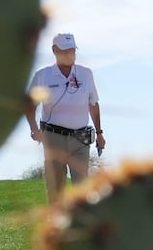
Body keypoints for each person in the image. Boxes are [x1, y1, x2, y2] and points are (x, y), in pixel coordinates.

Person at [27, 32, 104, 203]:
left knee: (82, 189)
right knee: (55, 190)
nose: (70, 55)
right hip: (54, 138)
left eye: (72, 51)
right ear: (55, 50)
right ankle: (56, 227)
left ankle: (81, 226)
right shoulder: (43, 75)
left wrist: (99, 133)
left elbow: (93, 103)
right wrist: (34, 129)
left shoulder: (85, 74)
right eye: (65, 51)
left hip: (81, 138)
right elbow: (30, 106)